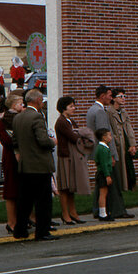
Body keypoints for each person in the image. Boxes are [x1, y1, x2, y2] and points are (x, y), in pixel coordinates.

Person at [13, 89, 58, 241]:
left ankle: (20, 230)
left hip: (25, 165)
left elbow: (15, 141)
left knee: (24, 200)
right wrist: (53, 142)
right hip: (39, 164)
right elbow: (43, 140)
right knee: (43, 201)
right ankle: (42, 231)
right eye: (41, 99)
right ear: (37, 100)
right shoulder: (37, 117)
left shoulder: (18, 117)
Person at [54, 96, 88, 225]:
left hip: (73, 156)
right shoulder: (61, 122)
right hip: (65, 156)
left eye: (74, 106)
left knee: (72, 186)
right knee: (65, 186)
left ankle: (73, 212)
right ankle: (65, 214)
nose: (74, 108)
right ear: (64, 108)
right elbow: (74, 137)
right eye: (71, 106)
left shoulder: (71, 121)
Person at [0, 93, 24, 233]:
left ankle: (24, 219)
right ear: (12, 105)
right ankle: (11, 222)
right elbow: (7, 140)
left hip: (24, 157)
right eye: (20, 104)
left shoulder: (22, 119)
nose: (22, 107)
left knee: (23, 190)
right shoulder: (1, 122)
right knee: (11, 191)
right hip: (10, 158)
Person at [106, 88, 137, 195]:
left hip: (126, 143)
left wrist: (132, 144)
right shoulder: (109, 112)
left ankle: (128, 186)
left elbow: (129, 128)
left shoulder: (124, 112)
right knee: (120, 168)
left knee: (128, 167)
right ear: (114, 99)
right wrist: (115, 140)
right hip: (118, 145)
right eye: (120, 96)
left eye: (124, 96)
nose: (123, 98)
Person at [94, 128, 116, 221]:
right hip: (103, 173)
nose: (111, 137)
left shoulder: (103, 147)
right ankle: (102, 214)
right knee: (103, 193)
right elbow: (103, 163)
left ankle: (104, 212)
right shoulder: (102, 149)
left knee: (105, 192)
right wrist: (107, 175)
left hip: (104, 172)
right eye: (109, 135)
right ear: (104, 137)